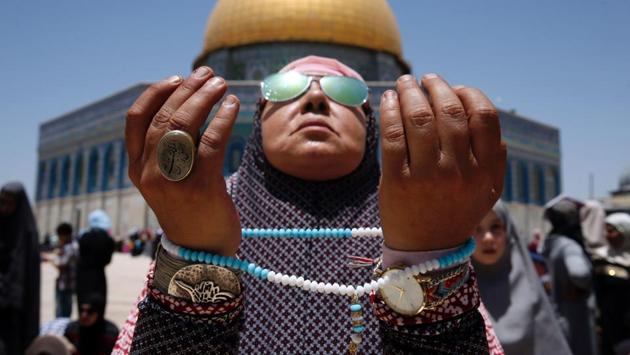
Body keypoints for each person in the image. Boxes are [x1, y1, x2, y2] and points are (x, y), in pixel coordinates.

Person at [114, 55, 507, 354]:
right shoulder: (205, 208)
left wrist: (428, 252)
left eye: (345, 92)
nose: (315, 98)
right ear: (259, 121)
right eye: (286, 89)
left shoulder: (423, 216)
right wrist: (194, 254)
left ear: (372, 126)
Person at [472, 200, 571, 354]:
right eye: (475, 228)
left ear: (508, 231)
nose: (488, 238)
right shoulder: (451, 295)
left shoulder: (530, 288)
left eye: (496, 227)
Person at [543, 196, 597, 355]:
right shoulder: (569, 246)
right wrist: (585, 285)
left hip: (556, 312)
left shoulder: (550, 243)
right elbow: (579, 273)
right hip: (576, 315)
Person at [0, 182, 41, 354]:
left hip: (15, 307)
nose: (5, 208)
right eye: (2, 202)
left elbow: (28, 277)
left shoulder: (27, 233)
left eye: (10, 203)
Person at [591, 212, 630, 355]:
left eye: (612, 231)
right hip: (609, 322)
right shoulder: (600, 258)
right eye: (606, 230)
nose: (607, 235)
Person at [75, 210, 115, 313]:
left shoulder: (84, 237)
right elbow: (107, 260)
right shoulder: (108, 239)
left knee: (83, 306)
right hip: (98, 276)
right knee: (97, 306)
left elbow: (80, 255)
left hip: (82, 276)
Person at [50, 222, 78, 318]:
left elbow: (61, 265)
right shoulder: (71, 246)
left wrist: (50, 260)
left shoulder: (71, 247)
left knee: (62, 313)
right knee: (62, 311)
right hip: (66, 283)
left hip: (66, 285)